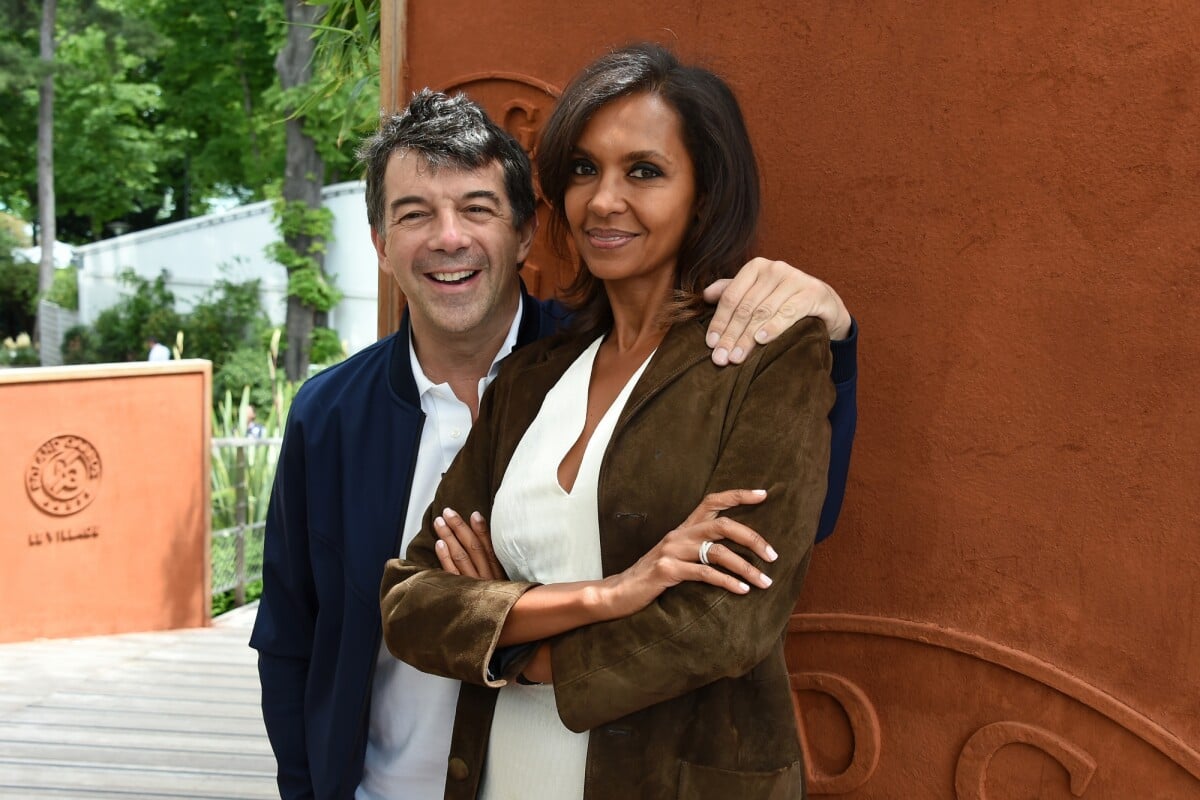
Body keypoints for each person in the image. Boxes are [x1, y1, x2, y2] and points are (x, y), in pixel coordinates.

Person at [251, 85, 858, 800]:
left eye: (477, 209)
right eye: (414, 215)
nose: (448, 238)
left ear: (526, 233)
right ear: (382, 246)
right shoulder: (329, 415)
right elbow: (308, 630)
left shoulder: (591, 364)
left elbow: (766, 558)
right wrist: (608, 595)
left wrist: (836, 344)